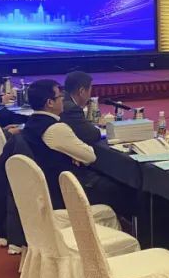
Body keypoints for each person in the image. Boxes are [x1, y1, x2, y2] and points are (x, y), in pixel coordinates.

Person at [22, 79, 132, 215]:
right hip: (66, 191)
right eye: (60, 96)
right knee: (125, 189)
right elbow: (90, 156)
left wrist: (72, 154)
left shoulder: (31, 123)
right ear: (50, 103)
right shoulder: (56, 129)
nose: (63, 99)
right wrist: (75, 155)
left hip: (49, 186)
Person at [62, 71, 100, 145]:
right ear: (81, 91)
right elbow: (92, 134)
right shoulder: (71, 109)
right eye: (90, 91)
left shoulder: (62, 99)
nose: (89, 96)